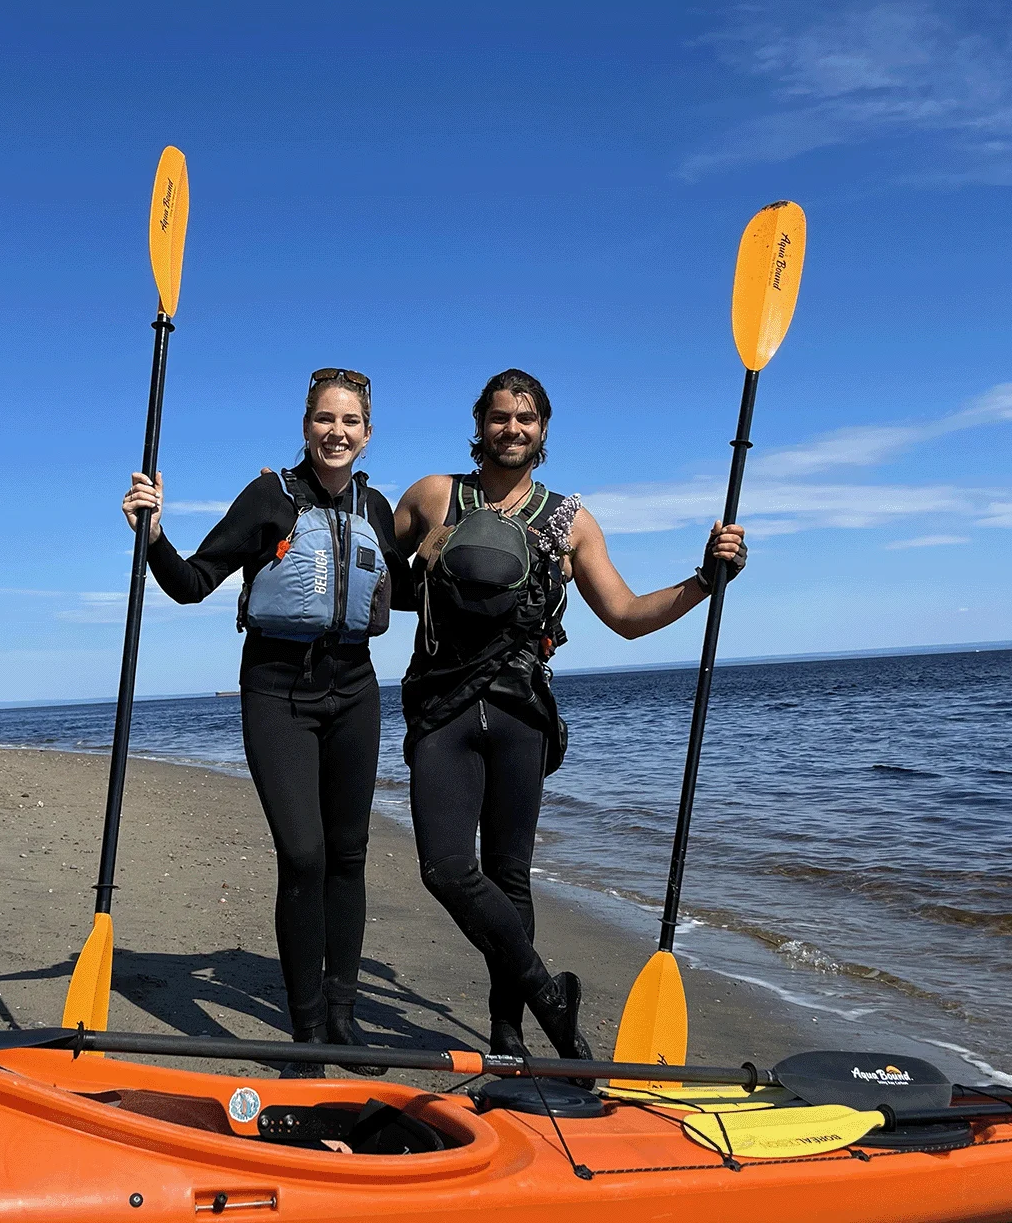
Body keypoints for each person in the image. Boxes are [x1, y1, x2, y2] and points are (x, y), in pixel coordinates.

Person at [394, 368, 746, 1066]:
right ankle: (548, 995)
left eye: (526, 419)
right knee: (444, 868)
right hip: (441, 707)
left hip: (523, 712)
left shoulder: (569, 522)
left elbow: (625, 616)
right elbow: (379, 580)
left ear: (544, 429)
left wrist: (706, 579)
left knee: (510, 877)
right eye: (500, 417)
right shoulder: (435, 496)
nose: (512, 429)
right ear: (480, 423)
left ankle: (508, 1033)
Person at [122, 369, 409, 1077]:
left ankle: (342, 1021)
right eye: (324, 419)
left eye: (350, 421)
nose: (336, 432)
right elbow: (191, 585)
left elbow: (411, 593)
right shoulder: (266, 499)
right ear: (305, 426)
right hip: (278, 690)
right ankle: (307, 1031)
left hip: (356, 690)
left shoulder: (375, 507)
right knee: (304, 856)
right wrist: (154, 535)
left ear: (367, 433)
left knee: (348, 855)